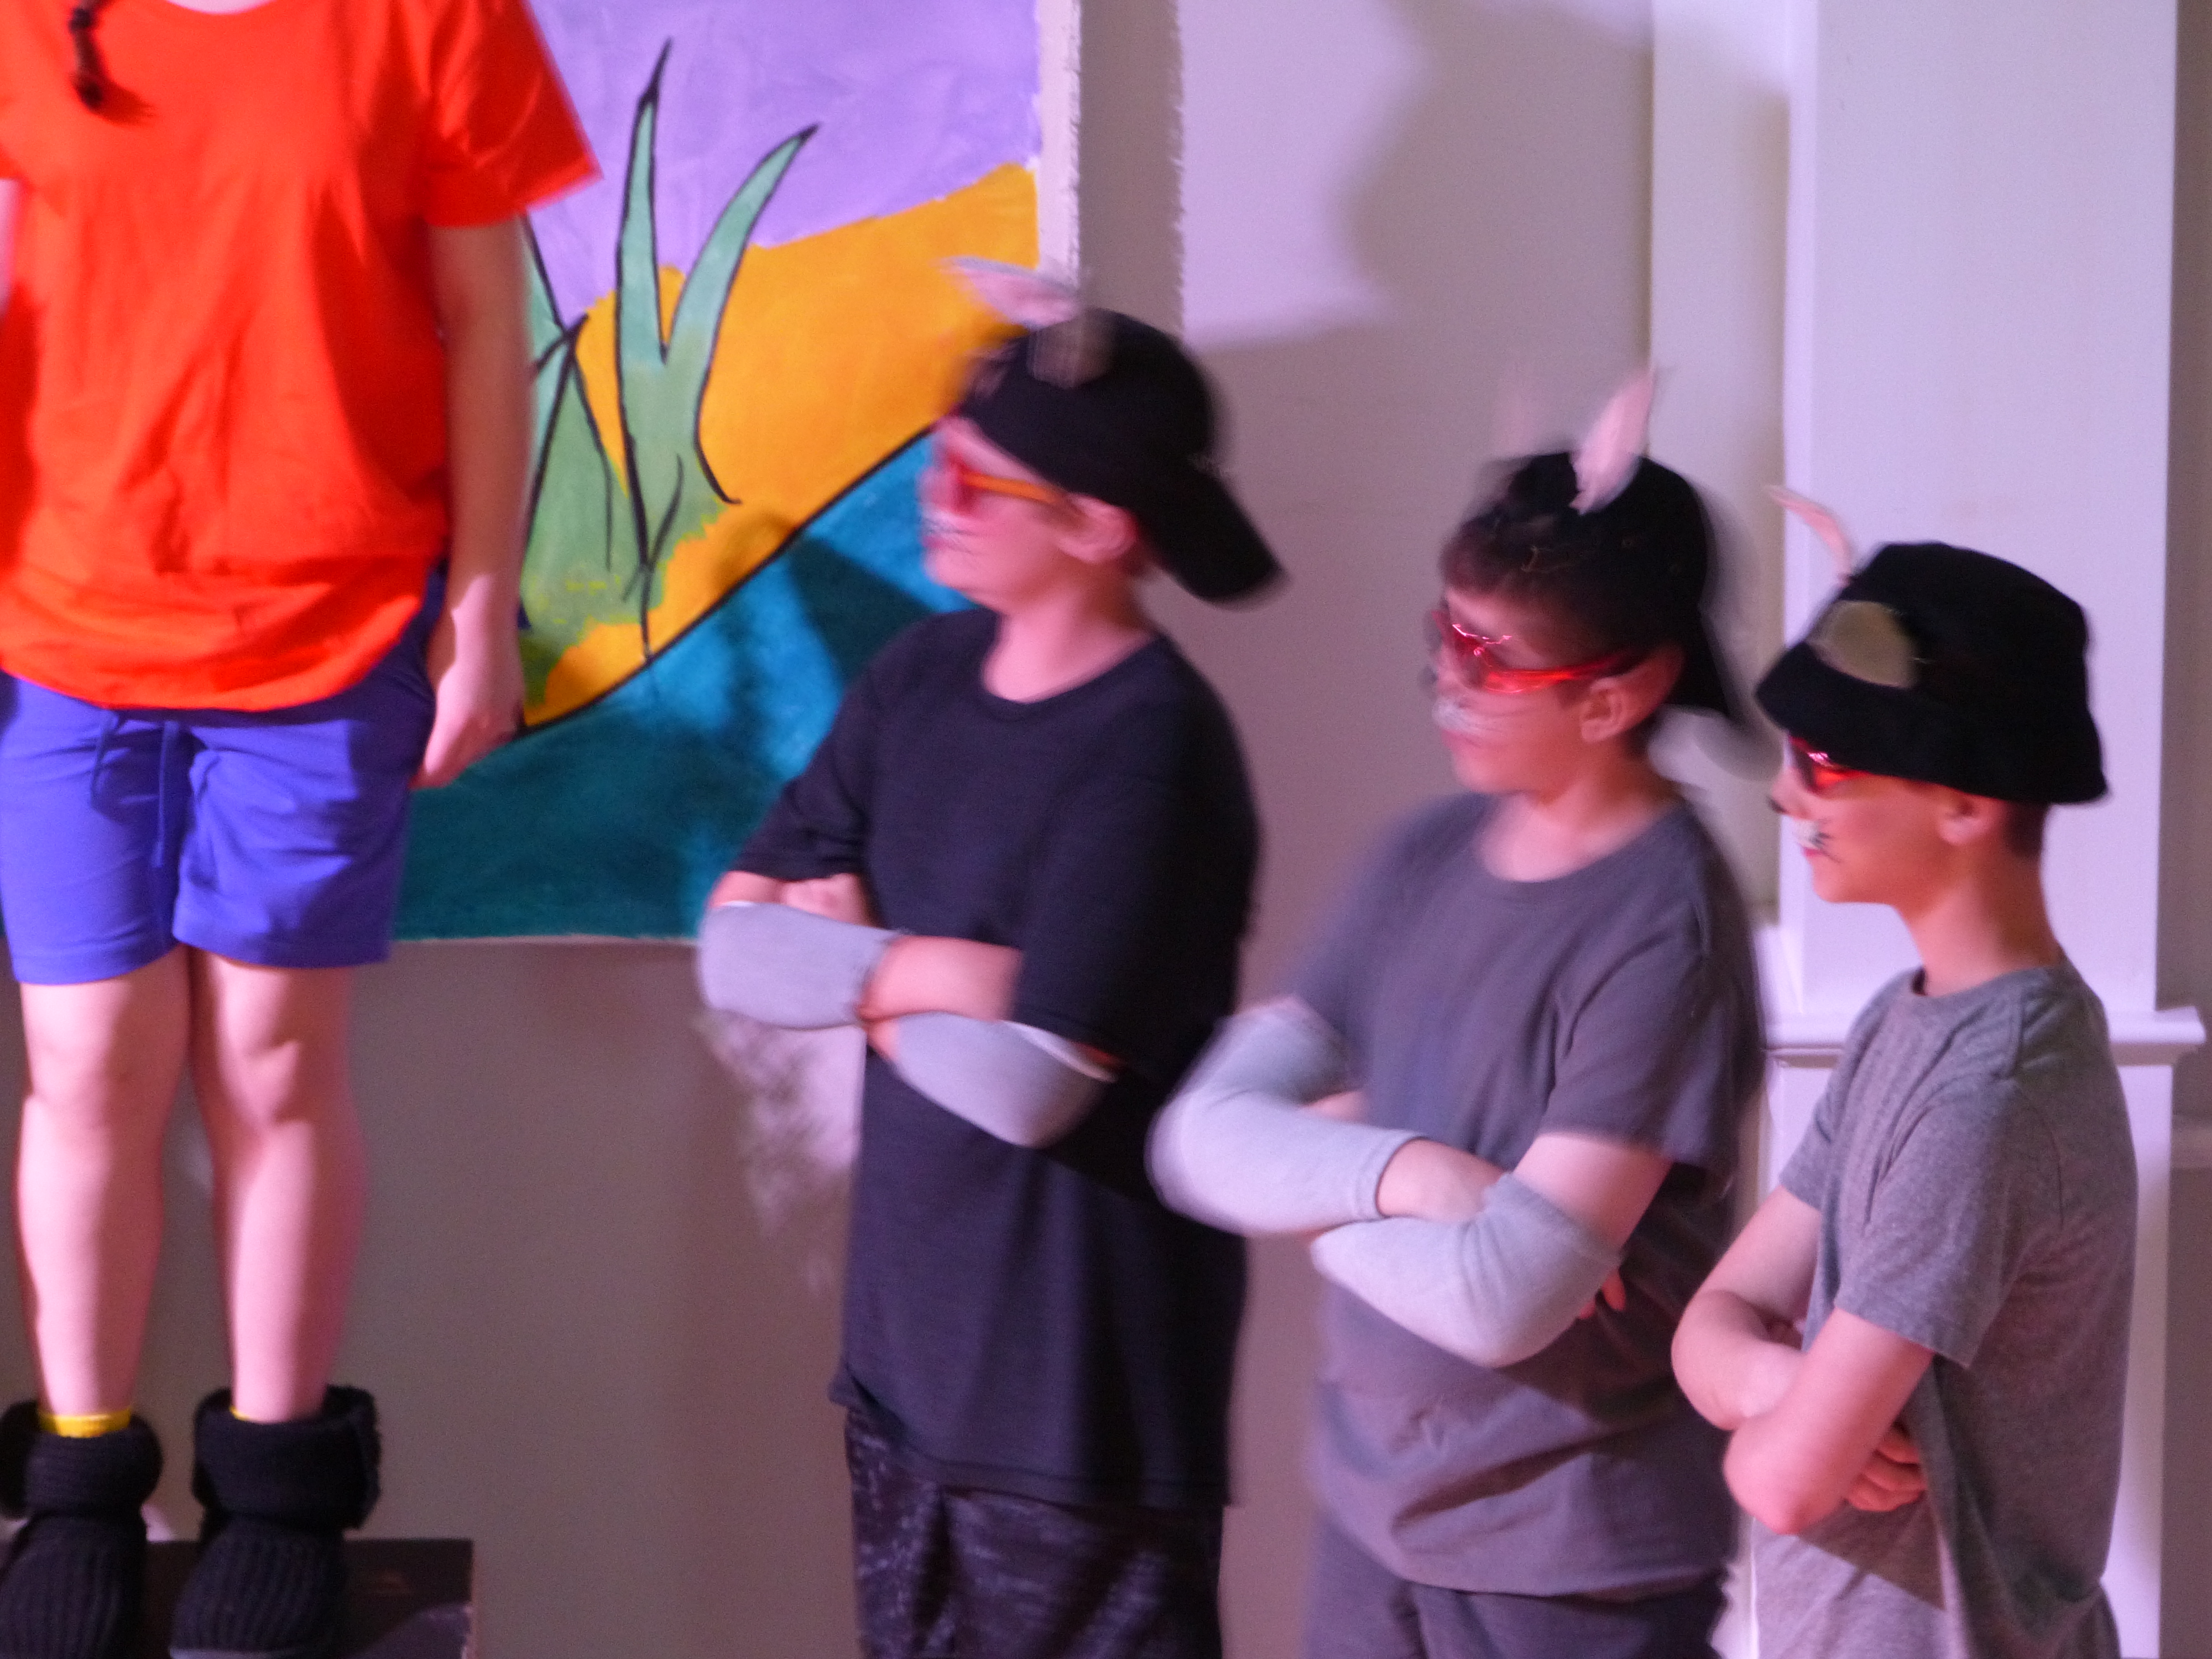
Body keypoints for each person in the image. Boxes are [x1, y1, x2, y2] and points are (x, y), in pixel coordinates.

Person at [0, 2, 592, 1655]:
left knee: (269, 1058)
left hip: (330, 627)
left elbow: (484, 322)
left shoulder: (436, 20)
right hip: (59, 627)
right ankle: (78, 1485)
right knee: (85, 1059)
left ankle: (275, 1494)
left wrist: (480, 603)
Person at [696, 285, 1279, 1659]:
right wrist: (942, 973)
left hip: (1077, 1411)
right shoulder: (920, 676)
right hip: (903, 1376)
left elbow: (1029, 1093)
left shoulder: (1152, 751)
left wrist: (854, 974)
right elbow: (733, 947)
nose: (935, 495)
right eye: (939, 456)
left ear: (1097, 526)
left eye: (977, 479)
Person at [1147, 387, 1765, 1659]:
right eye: (1445, 635)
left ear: (1617, 694)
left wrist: (1312, 1185)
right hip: (1372, 1520)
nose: (1447, 681)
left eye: (1491, 660)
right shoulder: (1417, 858)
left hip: (1571, 1566)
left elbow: (1502, 1299)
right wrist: (1421, 1177)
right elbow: (1195, 1140)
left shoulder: (1665, 928)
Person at [1671, 540, 2132, 1658]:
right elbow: (1709, 1325)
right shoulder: (1900, 1020)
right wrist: (1783, 1384)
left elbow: (1783, 1486)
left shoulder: (1990, 1104)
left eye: (1825, 762)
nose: (1785, 792)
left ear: (1963, 805)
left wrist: (1768, 1433)